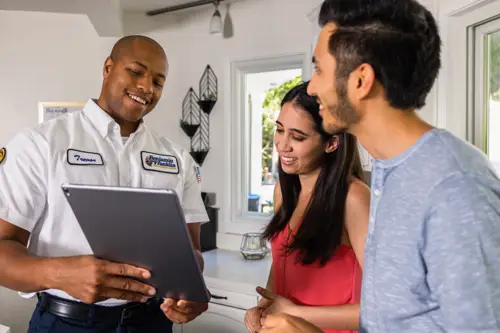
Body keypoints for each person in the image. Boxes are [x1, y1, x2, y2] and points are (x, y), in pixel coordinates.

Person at [261, 0, 500, 332]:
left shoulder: (455, 186)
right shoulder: (393, 173)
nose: (313, 87)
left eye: (319, 69)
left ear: (361, 81)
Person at [0, 35, 209, 333]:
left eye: (158, 82)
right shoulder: (40, 144)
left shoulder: (177, 159)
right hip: (65, 324)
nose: (146, 87)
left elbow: (192, 252)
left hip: (151, 323)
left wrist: (190, 289)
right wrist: (60, 274)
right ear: (108, 67)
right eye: (136, 72)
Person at [244, 82, 370, 333]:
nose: (282, 145)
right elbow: (282, 262)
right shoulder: (283, 191)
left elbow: (384, 308)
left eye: (298, 136)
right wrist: (264, 306)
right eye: (279, 130)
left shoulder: (353, 198)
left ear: (331, 143)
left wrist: (293, 314)